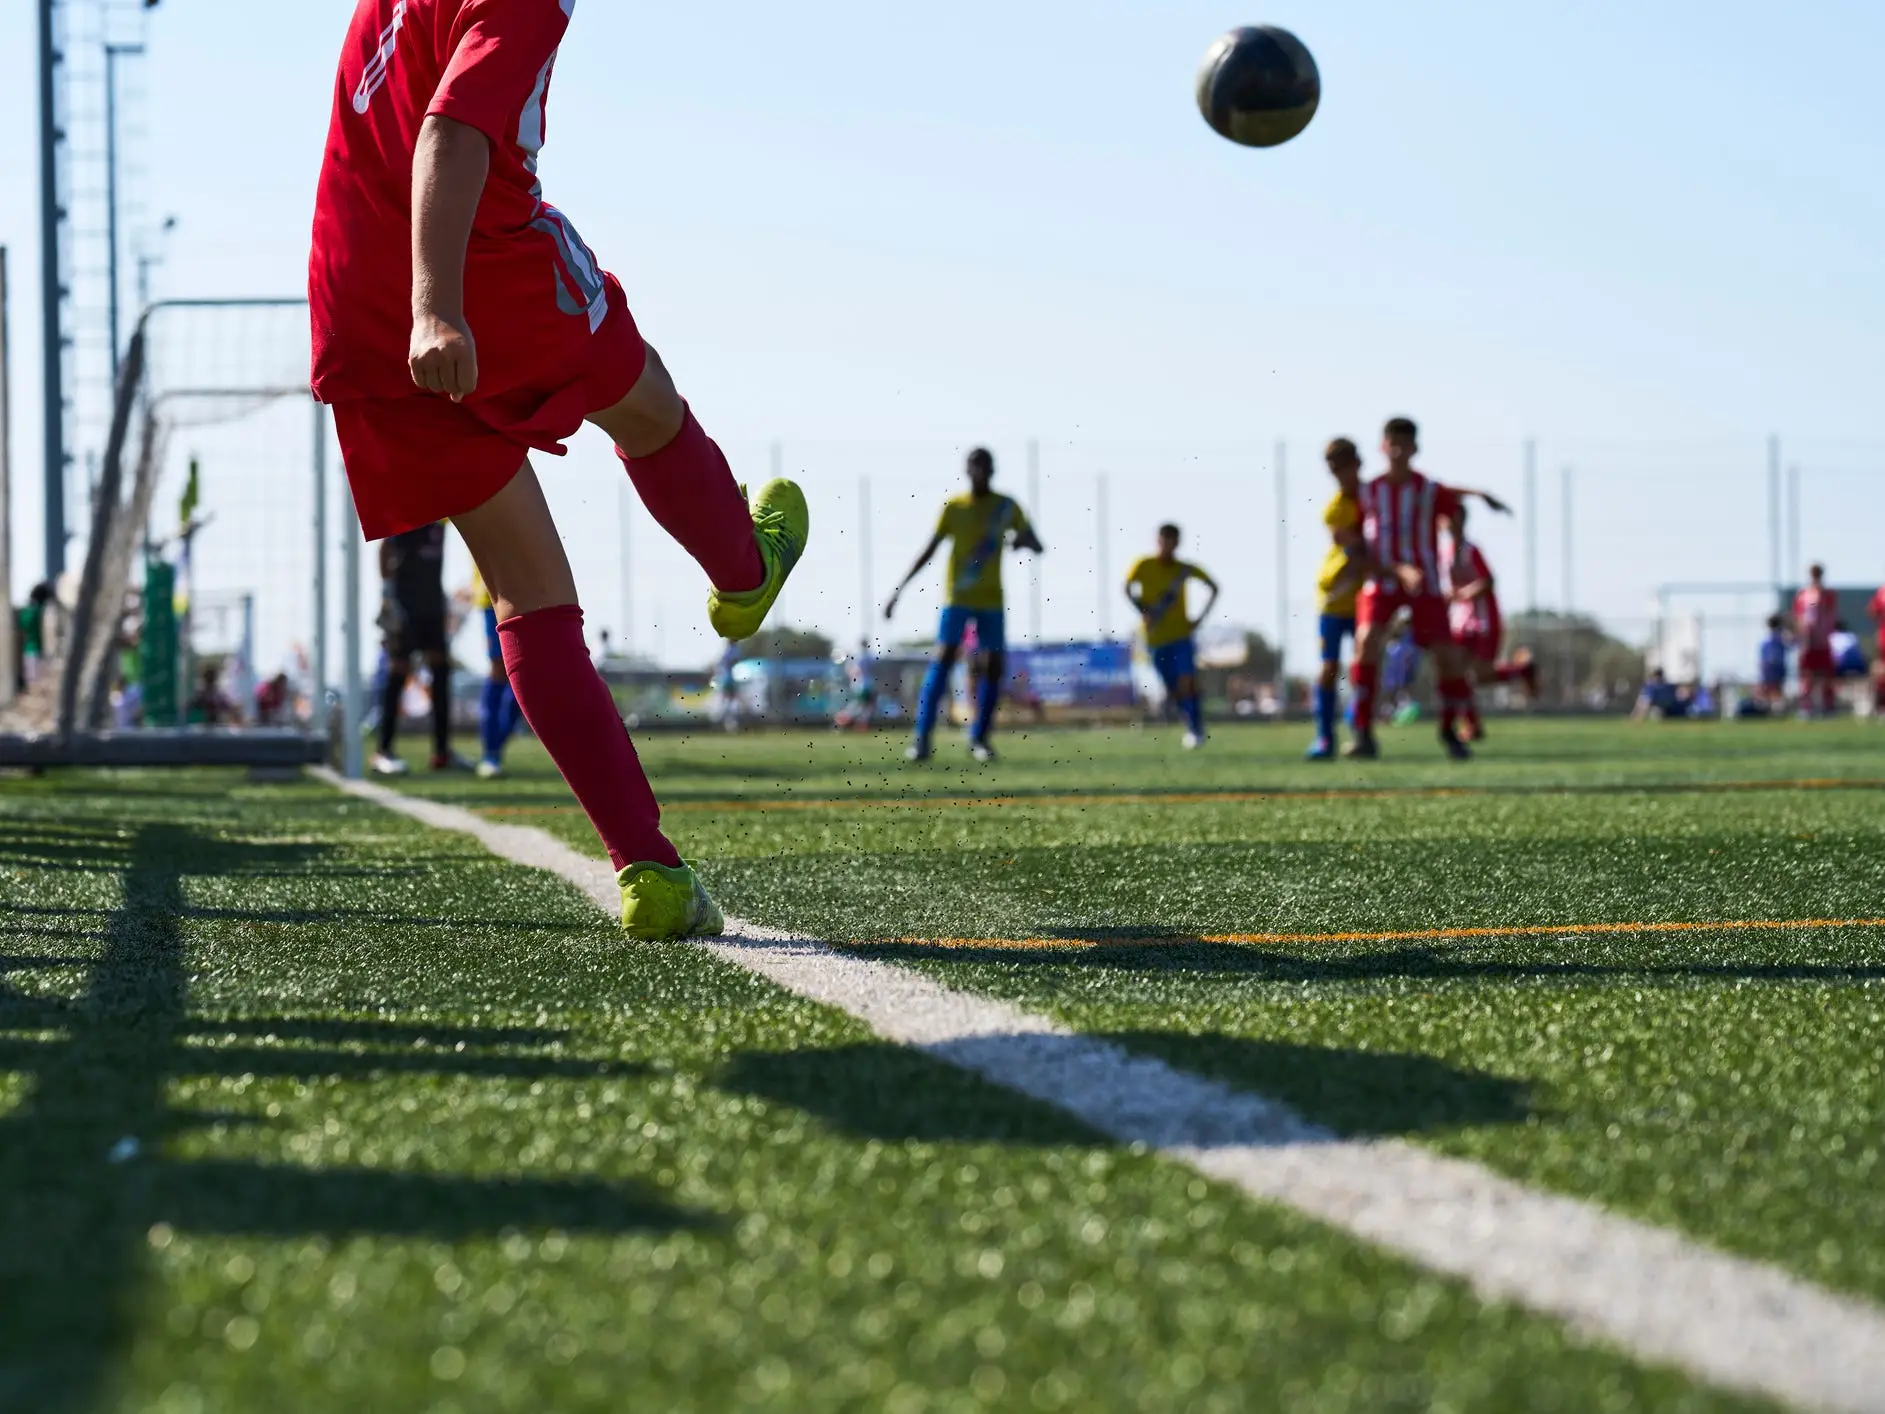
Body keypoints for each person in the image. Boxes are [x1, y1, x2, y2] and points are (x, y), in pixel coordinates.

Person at [310, 0, 808, 940]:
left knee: (526, 590)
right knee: (647, 399)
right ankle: (745, 575)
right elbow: (451, 130)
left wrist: (411, 309)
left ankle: (649, 872)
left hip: (350, 300)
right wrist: (438, 307)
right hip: (471, 269)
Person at [1346, 417, 1511, 760]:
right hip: (1382, 582)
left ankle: (1450, 731)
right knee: (1366, 641)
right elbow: (1357, 547)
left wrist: (1478, 498)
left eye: (1404, 445)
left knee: (1448, 657)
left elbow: (1451, 500)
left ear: (1414, 449)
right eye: (1392, 443)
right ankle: (1362, 733)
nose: (1397, 451)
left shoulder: (1427, 491)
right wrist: (1392, 567)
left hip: (1426, 585)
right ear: (1382, 446)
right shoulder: (1368, 492)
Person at [885, 448, 1042, 763]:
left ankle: (980, 739)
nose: (980, 472)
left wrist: (1021, 541)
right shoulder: (954, 507)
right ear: (967, 470)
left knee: (993, 667)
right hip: (957, 599)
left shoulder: (1006, 507)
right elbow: (929, 550)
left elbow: (1036, 543)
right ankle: (922, 739)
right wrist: (898, 591)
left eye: (986, 467)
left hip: (991, 600)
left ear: (993, 471)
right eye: (975, 467)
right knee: (942, 660)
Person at [372, 521, 462, 775]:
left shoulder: (442, 516)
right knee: (398, 670)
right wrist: (388, 595)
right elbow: (385, 549)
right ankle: (383, 751)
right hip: (405, 602)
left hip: (433, 603)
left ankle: (442, 752)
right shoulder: (407, 511)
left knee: (441, 670)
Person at [1442, 503, 1538, 740]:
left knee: (1479, 675)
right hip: (1460, 621)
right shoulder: (1444, 551)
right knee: (1456, 672)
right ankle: (1472, 725)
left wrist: (1462, 595)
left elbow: (1488, 582)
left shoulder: (1470, 551)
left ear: (1462, 521)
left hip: (1484, 620)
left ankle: (1521, 671)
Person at [1125, 524, 1219, 748]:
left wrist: (1200, 618)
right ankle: (1189, 722)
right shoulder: (1143, 565)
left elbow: (1214, 587)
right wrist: (1143, 609)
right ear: (1157, 541)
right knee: (1173, 688)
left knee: (1187, 681)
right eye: (1163, 540)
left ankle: (1196, 728)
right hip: (1155, 638)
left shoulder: (1183, 569)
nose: (1167, 545)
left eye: (1172, 541)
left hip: (1182, 636)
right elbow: (1127, 588)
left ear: (1177, 543)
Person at [1307, 438, 1367, 760]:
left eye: (1342, 468)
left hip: (1366, 598)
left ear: (1357, 464)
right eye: (1333, 471)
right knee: (1329, 668)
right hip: (1334, 596)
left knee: (1363, 667)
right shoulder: (1334, 508)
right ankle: (1324, 737)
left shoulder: (1375, 498)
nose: (1338, 476)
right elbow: (1357, 548)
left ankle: (1359, 731)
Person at [469, 566, 520, 779]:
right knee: (500, 669)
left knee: (526, 674)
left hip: (532, 595)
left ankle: (496, 743)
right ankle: (491, 753)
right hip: (494, 597)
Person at [1793, 564, 1838, 716]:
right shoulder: (1806, 595)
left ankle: (1828, 706)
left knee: (1826, 675)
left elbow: (1826, 612)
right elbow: (1806, 613)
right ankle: (1807, 707)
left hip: (1822, 641)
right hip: (1809, 641)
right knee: (1807, 675)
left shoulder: (1826, 594)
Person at [1756, 615, 1790, 712]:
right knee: (1775, 690)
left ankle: (1773, 709)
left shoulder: (1767, 640)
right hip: (1775, 666)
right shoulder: (1780, 638)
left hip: (1771, 667)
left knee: (1772, 690)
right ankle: (1773, 709)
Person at [1869, 585, 1885, 716]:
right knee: (1880, 671)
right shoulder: (1882, 592)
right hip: (1883, 637)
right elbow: (1873, 611)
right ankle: (1880, 705)